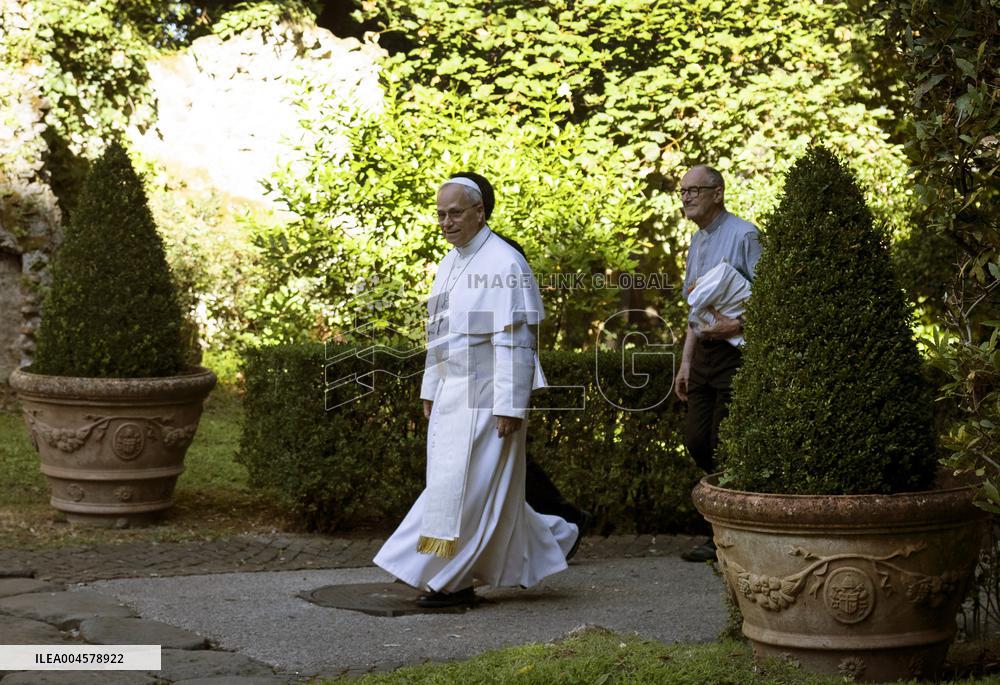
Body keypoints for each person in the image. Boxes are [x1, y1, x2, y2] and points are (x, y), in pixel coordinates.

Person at [373, 174, 579, 608]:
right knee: (474, 487)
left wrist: (510, 403)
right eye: (441, 214)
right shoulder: (450, 262)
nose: (446, 223)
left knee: (470, 487)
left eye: (455, 213)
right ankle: (556, 537)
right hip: (452, 393)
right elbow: (440, 334)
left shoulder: (505, 263)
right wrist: (430, 387)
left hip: (489, 394)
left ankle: (452, 581)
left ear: (479, 212)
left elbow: (516, 341)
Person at [674, 165, 761, 563]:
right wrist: (686, 362)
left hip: (737, 351)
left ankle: (725, 536)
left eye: (694, 190)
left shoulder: (744, 234)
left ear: (717, 193)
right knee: (697, 440)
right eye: (683, 192)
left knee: (726, 442)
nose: (687, 197)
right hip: (705, 354)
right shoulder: (696, 241)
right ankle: (727, 524)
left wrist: (738, 324)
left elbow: (769, 296)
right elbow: (696, 308)